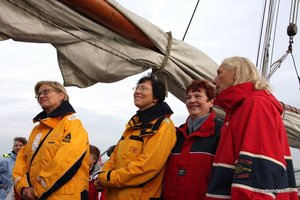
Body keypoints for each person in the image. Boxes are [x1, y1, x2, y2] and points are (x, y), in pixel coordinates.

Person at [205, 56, 298, 199]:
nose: (214, 80)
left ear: (236, 73)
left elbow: (258, 174)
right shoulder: (238, 110)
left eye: (219, 73)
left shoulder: (255, 105)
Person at [94, 74, 177, 199]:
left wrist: (108, 178)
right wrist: (104, 175)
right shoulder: (133, 125)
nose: (137, 91)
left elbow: (147, 166)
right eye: (136, 88)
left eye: (143, 88)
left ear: (155, 98)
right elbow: (115, 157)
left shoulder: (163, 125)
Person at [12, 81, 89, 200]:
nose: (41, 96)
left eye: (46, 91)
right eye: (38, 95)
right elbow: (22, 160)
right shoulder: (37, 130)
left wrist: (38, 190)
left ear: (61, 95)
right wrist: (23, 188)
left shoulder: (72, 124)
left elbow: (65, 162)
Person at [163, 80, 223, 200]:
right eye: (188, 97)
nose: (191, 101)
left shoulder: (221, 131)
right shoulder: (177, 134)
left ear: (211, 102)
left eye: (197, 96)